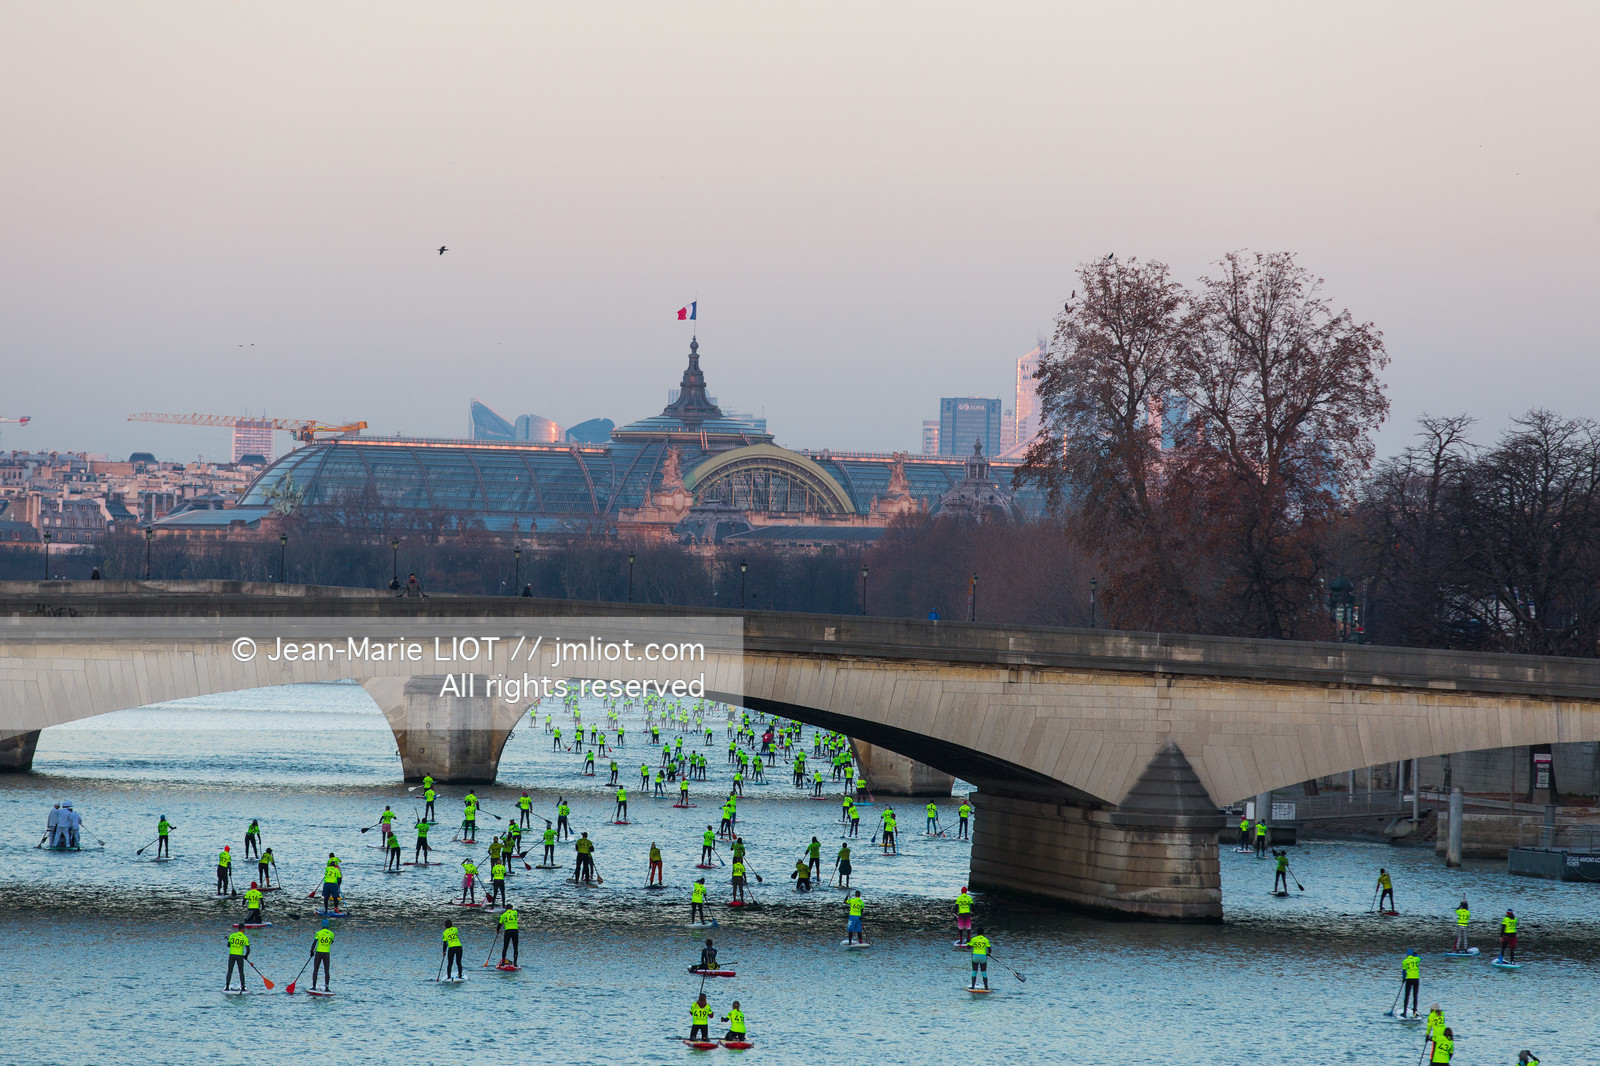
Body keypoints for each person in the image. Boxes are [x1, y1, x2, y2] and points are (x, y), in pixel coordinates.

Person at [310, 920, 334, 990]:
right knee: (327, 971)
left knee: (316, 970)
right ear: (328, 925)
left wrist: (311, 951)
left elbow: (314, 942)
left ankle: (313, 987)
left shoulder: (318, 933)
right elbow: (331, 942)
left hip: (318, 953)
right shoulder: (332, 934)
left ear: (322, 925)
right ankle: (327, 988)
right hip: (327, 953)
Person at [1400, 950, 1421, 1018]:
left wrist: (1403, 978)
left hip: (1409, 979)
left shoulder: (1405, 961)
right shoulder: (1416, 959)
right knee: (1415, 996)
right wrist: (1416, 953)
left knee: (1407, 995)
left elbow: (1404, 971)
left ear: (1407, 955)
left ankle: (1405, 1012)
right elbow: (1419, 957)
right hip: (1416, 979)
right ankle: (1414, 1012)